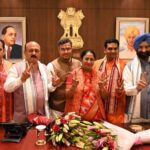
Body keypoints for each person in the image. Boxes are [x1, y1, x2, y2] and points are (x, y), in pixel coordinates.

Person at [4, 41, 55, 123]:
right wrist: (21, 79)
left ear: (40, 53)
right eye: (30, 50)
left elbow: (49, 89)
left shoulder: (45, 68)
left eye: (36, 51)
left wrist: (53, 84)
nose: (34, 53)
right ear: (25, 52)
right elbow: (7, 88)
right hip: (22, 119)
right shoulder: (16, 68)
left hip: (42, 117)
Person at [65, 50, 105, 121]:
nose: (89, 62)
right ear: (81, 59)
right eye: (86, 59)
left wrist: (102, 88)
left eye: (91, 59)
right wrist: (73, 87)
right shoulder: (72, 74)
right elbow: (67, 95)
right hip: (77, 117)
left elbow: (105, 97)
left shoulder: (100, 75)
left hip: (96, 117)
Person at [93, 38, 126, 124]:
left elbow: (126, 86)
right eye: (110, 49)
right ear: (105, 50)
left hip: (116, 110)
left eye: (115, 49)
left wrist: (120, 91)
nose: (113, 51)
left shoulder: (123, 65)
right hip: (98, 108)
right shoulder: (96, 64)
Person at [47, 38, 81, 117]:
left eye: (68, 49)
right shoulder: (51, 65)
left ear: (71, 49)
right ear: (58, 50)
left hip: (75, 108)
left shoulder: (79, 64)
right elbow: (49, 89)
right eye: (63, 49)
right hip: (57, 109)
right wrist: (54, 84)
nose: (66, 52)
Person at [123, 33, 150, 123]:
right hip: (135, 115)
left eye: (147, 47)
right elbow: (126, 90)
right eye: (140, 47)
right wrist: (137, 88)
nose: (143, 50)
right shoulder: (129, 66)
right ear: (136, 48)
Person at [0, 39, 13, 122]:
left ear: (4, 51)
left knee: (6, 134)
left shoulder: (10, 65)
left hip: (7, 110)